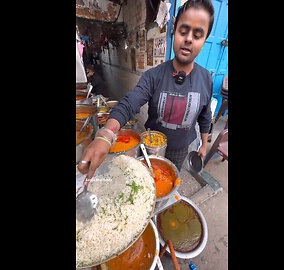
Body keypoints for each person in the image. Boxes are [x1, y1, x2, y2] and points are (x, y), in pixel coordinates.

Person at [78, 0, 215, 179]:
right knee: (146, 182)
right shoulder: (153, 76)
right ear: (174, 32)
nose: (188, 38)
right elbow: (129, 104)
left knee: (170, 182)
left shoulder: (206, 79)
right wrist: (106, 134)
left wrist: (204, 145)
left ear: (204, 42)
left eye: (197, 35)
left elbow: (205, 117)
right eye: (183, 31)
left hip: (181, 149)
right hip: (150, 145)